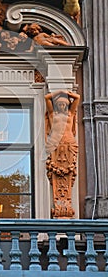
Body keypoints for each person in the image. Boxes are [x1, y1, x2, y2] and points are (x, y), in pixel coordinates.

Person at [45, 90, 80, 218]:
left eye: (64, 104)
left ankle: (64, 201)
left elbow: (77, 98)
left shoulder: (70, 114)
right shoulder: (52, 115)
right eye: (59, 104)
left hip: (69, 141)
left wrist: (66, 93)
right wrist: (59, 92)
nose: (62, 106)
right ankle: (60, 203)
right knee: (57, 166)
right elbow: (46, 98)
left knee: (68, 168)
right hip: (56, 142)